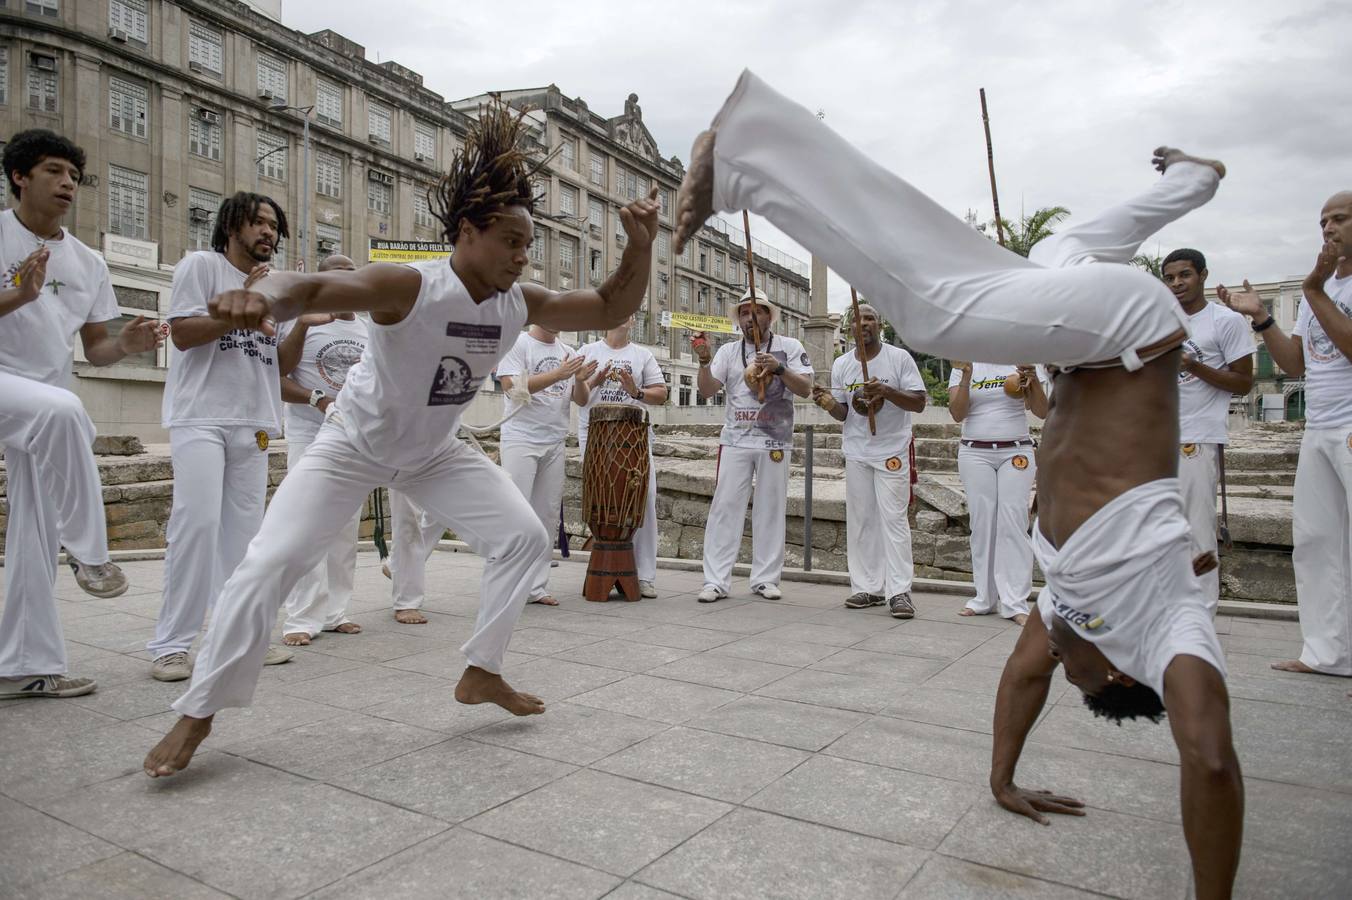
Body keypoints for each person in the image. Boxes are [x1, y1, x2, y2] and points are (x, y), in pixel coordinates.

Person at [674, 70, 1242, 898]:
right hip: (1132, 332)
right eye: (1076, 671)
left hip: (1104, 337)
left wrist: (1001, 782)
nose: (1056, 661)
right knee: (937, 312)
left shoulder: (1070, 607)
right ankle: (748, 154)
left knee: (1062, 249)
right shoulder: (1169, 633)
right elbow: (1212, 759)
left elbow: (1021, 679)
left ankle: (1195, 179)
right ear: (1121, 672)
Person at [144, 105, 661, 778]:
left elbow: (610, 307)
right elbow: (316, 284)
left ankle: (482, 670)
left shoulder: (517, 301)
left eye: (527, 243)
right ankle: (198, 712)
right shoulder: (410, 286)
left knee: (524, 538)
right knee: (267, 565)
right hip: (351, 444)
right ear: (468, 232)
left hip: (434, 450)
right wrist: (264, 292)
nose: (521, 254)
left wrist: (641, 245)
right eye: (509, 239)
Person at [0, 129, 158, 699]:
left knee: (33, 530)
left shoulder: (87, 262)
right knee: (68, 411)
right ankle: (91, 555)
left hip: (41, 403)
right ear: (20, 175)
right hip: (19, 394)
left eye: (74, 175)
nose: (68, 183)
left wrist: (129, 346)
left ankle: (23, 666)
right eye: (53, 171)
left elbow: (96, 349)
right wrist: (18, 295)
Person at [147, 191, 294, 681]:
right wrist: (243, 306)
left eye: (273, 224)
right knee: (196, 525)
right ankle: (171, 645)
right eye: (257, 222)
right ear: (232, 225)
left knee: (246, 538)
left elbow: (279, 363)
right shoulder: (200, 266)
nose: (267, 232)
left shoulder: (274, 286)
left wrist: (300, 321)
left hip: (253, 421)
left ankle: (238, 639)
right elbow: (185, 335)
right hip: (201, 416)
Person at [1218, 192, 1352, 679]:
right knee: (1316, 540)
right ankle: (1328, 653)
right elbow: (1296, 363)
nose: (1328, 229)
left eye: (1339, 219)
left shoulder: (1318, 290)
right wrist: (1262, 318)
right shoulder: (1319, 290)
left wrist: (1315, 291)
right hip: (1320, 427)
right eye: (1323, 221)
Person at [693, 290, 813, 603]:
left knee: (771, 508)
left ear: (769, 316)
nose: (750, 318)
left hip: (775, 439)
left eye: (757, 312)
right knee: (725, 508)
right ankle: (716, 581)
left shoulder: (790, 347)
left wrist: (780, 369)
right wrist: (704, 362)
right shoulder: (729, 352)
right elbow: (707, 390)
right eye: (745, 313)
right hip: (735, 440)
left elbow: (806, 389)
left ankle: (765, 579)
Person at [275, 253, 367, 645]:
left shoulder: (369, 329)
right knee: (305, 523)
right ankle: (301, 617)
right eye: (335, 277)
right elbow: (277, 377)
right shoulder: (301, 322)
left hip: (354, 440)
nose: (343, 284)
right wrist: (320, 400)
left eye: (350, 277)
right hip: (308, 434)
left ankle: (334, 612)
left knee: (345, 529)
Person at [811, 303, 926, 617]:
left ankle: (899, 591)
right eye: (857, 319)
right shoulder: (843, 364)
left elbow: (918, 402)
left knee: (894, 520)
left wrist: (886, 391)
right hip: (857, 451)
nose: (863, 324)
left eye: (870, 318)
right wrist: (828, 403)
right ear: (849, 328)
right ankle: (867, 588)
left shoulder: (899, 358)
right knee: (861, 521)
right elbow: (845, 414)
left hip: (891, 451)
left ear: (880, 325)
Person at [1161, 248, 1253, 615]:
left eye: (1184, 275)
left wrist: (1193, 366)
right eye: (1169, 277)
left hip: (1197, 438)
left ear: (1201, 275)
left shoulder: (1225, 321)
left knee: (1197, 533)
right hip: (1156, 439)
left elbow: (1244, 382)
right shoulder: (1160, 321)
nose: (1177, 283)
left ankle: (1201, 617)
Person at [497, 323, 596, 605]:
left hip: (554, 440)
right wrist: (558, 374)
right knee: (517, 512)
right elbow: (510, 388)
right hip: (520, 438)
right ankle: (508, 586)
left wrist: (577, 379)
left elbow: (582, 398)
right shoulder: (517, 343)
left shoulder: (569, 351)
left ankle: (536, 587)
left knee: (548, 515)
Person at [574, 313, 667, 597]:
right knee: (603, 500)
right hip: (596, 437)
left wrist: (636, 392)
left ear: (632, 321)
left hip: (633, 439)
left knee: (645, 498)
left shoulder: (642, 355)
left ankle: (645, 575)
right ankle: (606, 566)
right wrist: (594, 382)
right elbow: (577, 398)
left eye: (628, 313)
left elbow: (661, 393)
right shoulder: (587, 352)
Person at [947, 361, 1048, 623]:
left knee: (1013, 521)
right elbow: (957, 413)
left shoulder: (1023, 359)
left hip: (1016, 449)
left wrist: (1033, 379)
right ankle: (984, 598)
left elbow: (1043, 411)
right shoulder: (964, 363)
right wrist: (967, 377)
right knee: (982, 524)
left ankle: (1015, 603)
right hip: (974, 450)